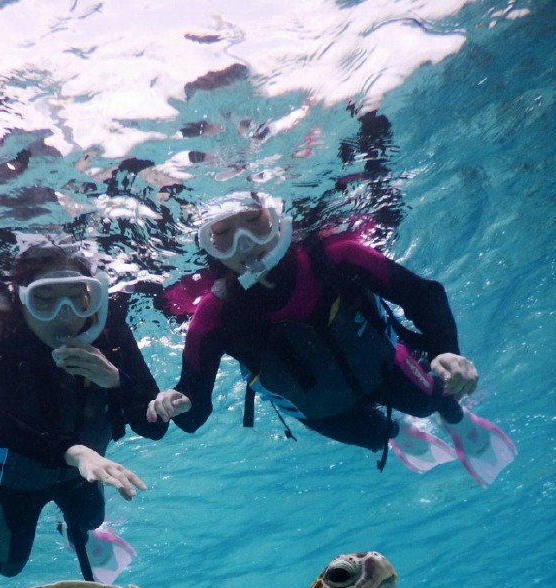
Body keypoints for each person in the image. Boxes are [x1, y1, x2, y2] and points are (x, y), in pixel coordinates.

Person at [147, 191, 516, 487]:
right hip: (323, 411)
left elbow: (425, 295)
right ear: (211, 250)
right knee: (374, 433)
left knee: (429, 400)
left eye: (254, 222)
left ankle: (456, 419)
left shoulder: (337, 258)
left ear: (277, 221)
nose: (243, 244)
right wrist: (177, 404)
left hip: (385, 367)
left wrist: (444, 351)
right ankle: (396, 433)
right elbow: (193, 410)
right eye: (223, 235)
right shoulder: (213, 317)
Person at [0, 241, 168, 578]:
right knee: (8, 564)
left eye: (78, 296)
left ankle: (72, 531)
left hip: (81, 471)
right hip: (14, 482)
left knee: (87, 523)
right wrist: (75, 452)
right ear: (21, 301)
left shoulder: (111, 339)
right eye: (44, 300)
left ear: (95, 297)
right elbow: (9, 428)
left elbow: (153, 428)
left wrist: (117, 380)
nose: (64, 314)